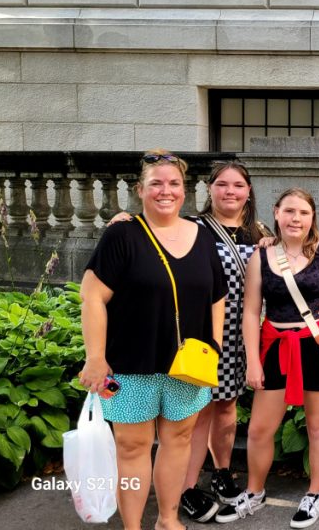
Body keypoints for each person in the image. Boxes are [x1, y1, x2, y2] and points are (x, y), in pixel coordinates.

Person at [108, 161, 272, 522]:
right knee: (196, 416)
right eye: (222, 184)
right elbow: (154, 232)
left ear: (249, 191)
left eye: (239, 185)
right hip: (196, 336)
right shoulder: (194, 227)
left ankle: (222, 472)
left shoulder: (259, 231)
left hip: (239, 334)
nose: (231, 191)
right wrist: (125, 219)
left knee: (227, 408)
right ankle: (185, 489)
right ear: (209, 189)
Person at [215, 188, 319, 529]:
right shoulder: (261, 257)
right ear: (276, 213)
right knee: (261, 429)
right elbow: (250, 313)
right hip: (277, 346)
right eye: (289, 211)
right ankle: (255, 491)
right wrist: (253, 361)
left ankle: (315, 494)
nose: (296, 218)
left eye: (303, 212)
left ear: (312, 216)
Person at [79, 150, 226, 530]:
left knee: (178, 440)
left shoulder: (204, 236)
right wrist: (95, 358)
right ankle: (133, 527)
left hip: (188, 366)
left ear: (184, 190)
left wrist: (216, 346)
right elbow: (92, 296)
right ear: (140, 189)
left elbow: (217, 296)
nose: (166, 191)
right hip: (129, 364)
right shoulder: (122, 234)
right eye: (156, 183)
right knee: (132, 446)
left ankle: (168, 519)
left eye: (174, 183)